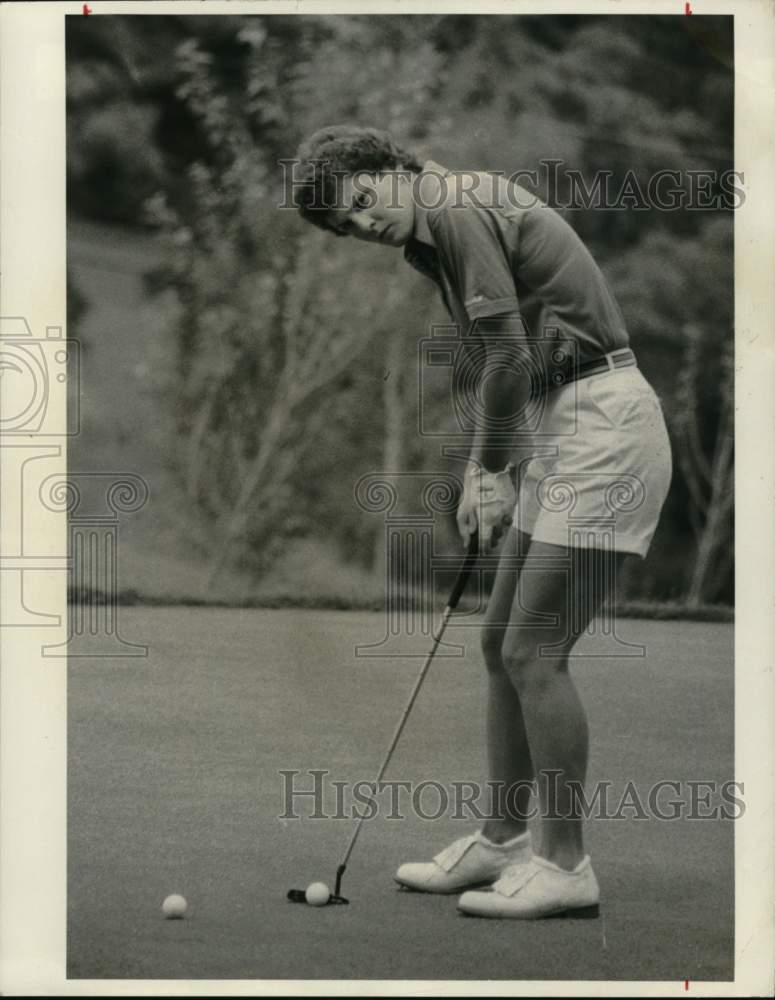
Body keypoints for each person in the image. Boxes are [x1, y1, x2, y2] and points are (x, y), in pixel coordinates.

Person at [292, 125, 672, 919]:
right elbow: (513, 357)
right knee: (500, 639)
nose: (364, 224)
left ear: (391, 168)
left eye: (363, 201)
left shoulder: (454, 207)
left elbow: (506, 357)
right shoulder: (436, 228)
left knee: (536, 649)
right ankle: (501, 842)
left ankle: (564, 865)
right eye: (347, 224)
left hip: (603, 422)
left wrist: (492, 468)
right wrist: (482, 466)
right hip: (565, 421)